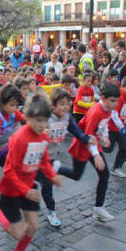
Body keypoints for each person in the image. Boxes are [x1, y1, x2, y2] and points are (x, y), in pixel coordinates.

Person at [0, 92, 61, 251]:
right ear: (28, 117)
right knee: (19, 233)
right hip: (11, 191)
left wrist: (52, 175)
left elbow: (43, 160)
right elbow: (8, 170)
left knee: (33, 227)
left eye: (45, 121)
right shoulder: (19, 138)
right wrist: (25, 190)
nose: (42, 125)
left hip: (28, 188)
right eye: (38, 120)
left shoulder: (43, 136)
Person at [61, 83, 121, 222]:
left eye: (117, 101)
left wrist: (105, 136)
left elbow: (104, 124)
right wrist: (96, 155)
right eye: (112, 100)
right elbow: (87, 135)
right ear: (102, 98)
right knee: (76, 175)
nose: (115, 104)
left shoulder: (108, 109)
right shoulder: (96, 111)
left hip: (94, 144)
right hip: (83, 145)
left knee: (104, 175)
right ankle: (55, 167)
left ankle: (98, 209)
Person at [38, 89, 96, 227]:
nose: (65, 107)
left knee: (47, 185)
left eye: (67, 104)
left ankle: (51, 212)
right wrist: (41, 131)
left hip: (49, 159)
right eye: (61, 104)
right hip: (36, 157)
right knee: (28, 185)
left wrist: (87, 139)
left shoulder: (67, 118)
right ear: (53, 105)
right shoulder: (46, 118)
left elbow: (77, 132)